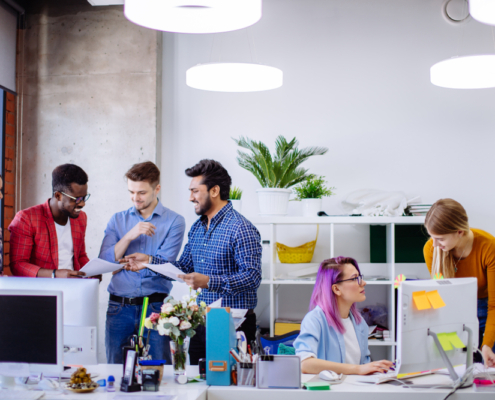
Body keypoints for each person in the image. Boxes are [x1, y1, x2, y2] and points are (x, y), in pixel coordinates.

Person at [124, 159, 262, 365]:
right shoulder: (197, 228)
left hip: (233, 324)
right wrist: (149, 261)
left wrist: (209, 281)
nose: (190, 198)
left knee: (228, 381)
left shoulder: (241, 228)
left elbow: (252, 277)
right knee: (197, 378)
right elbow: (184, 268)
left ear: (214, 191)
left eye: (195, 191)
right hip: (201, 324)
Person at [99, 161, 186, 364]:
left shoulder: (174, 221)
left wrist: (129, 265)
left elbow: (164, 266)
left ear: (157, 189)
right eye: (131, 192)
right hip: (119, 307)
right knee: (116, 368)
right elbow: (105, 261)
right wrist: (130, 235)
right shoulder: (117, 220)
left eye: (141, 192)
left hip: (155, 306)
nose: (135, 198)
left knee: (160, 369)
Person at [424, 198, 495, 367]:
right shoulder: (431, 249)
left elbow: (494, 305)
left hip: (488, 307)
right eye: (432, 237)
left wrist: (487, 344)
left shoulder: (489, 247)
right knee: (460, 366)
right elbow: (442, 297)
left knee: (488, 364)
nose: (435, 244)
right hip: (456, 308)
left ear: (459, 232)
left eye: (440, 238)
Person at [294, 257, 393, 374]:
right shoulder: (314, 320)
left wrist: (378, 370)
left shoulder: (360, 322)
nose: (363, 283)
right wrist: (357, 369)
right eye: (355, 278)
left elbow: (364, 366)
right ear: (336, 289)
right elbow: (305, 364)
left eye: (360, 277)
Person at [9, 164, 90, 278]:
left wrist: (91, 273)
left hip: (74, 286)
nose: (82, 204)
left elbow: (80, 256)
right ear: (58, 195)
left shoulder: (81, 218)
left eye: (84, 198)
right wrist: (55, 275)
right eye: (76, 199)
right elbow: (17, 265)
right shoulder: (27, 218)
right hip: (41, 288)